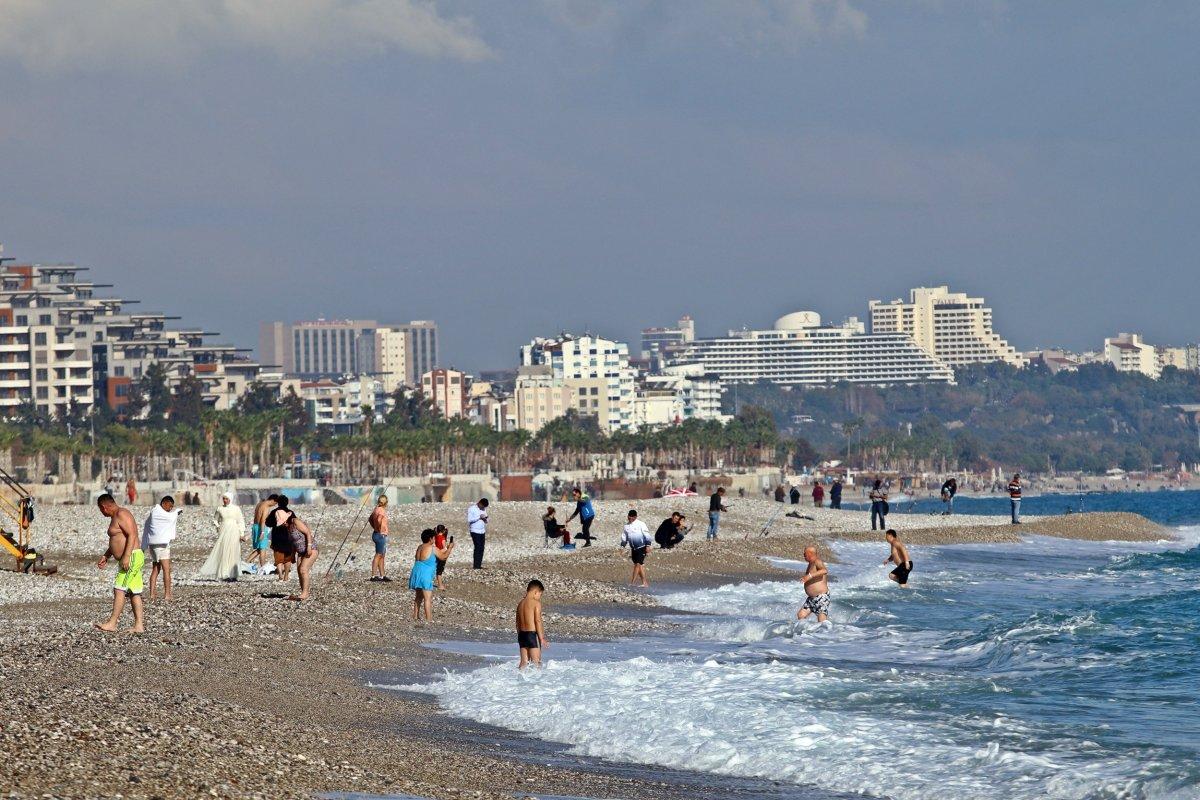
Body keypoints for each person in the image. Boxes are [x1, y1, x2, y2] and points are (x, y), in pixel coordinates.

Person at [94, 494, 145, 634]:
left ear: (104, 507)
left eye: (100, 509)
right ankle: (139, 626)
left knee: (119, 588)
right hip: (131, 556)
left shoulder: (122, 514)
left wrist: (127, 556)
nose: (101, 512)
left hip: (132, 556)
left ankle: (112, 623)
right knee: (134, 592)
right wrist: (107, 555)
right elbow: (118, 539)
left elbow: (132, 535)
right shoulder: (115, 517)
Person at [197, 492, 244, 581]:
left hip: (234, 532)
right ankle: (224, 574)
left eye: (227, 499)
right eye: (224, 499)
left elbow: (241, 521)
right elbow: (215, 520)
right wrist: (219, 527)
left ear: (230, 499)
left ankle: (233, 574)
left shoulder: (236, 509)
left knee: (233, 551)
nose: (225, 500)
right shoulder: (220, 509)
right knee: (224, 551)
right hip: (224, 531)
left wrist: (241, 534)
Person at [410, 528, 454, 621]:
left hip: (416, 572)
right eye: (434, 538)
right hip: (425, 574)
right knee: (427, 598)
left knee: (418, 596)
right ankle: (429, 619)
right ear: (430, 539)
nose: (434, 539)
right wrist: (450, 548)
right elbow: (443, 557)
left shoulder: (420, 547)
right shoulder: (432, 548)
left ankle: (415, 616)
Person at [143, 495, 181, 602]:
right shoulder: (159, 512)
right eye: (170, 506)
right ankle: (167, 594)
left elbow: (148, 526)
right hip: (162, 545)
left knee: (155, 568)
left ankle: (151, 594)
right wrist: (176, 512)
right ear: (164, 503)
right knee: (166, 569)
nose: (170, 509)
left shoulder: (153, 512)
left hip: (153, 545)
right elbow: (170, 518)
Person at [516, 579, 548, 670]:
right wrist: (541, 638)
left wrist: (520, 635)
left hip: (522, 635)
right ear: (536, 592)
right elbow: (537, 620)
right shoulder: (536, 603)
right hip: (532, 635)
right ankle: (537, 682)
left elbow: (517, 623)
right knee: (536, 662)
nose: (539, 597)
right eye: (540, 595)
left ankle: (519, 681)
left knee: (523, 663)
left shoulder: (520, 604)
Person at [795, 545, 830, 625]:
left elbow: (824, 570)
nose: (803, 556)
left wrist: (809, 576)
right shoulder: (810, 564)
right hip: (811, 598)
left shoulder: (817, 561)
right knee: (801, 615)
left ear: (810, 554)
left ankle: (825, 635)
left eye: (805, 554)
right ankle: (806, 633)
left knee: (821, 620)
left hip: (821, 596)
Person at [289, 513, 318, 601]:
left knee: (303, 570)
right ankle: (304, 592)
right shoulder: (287, 527)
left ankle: (305, 593)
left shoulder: (296, 522)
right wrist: (293, 555)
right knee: (299, 571)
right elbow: (293, 542)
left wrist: (309, 547)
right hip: (300, 552)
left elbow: (308, 533)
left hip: (311, 549)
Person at [620, 509, 652, 588]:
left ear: (636, 517)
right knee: (640, 565)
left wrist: (648, 545)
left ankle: (632, 582)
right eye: (629, 517)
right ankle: (644, 583)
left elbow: (647, 535)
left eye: (632, 517)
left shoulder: (641, 524)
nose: (630, 518)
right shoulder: (626, 526)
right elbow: (624, 537)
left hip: (642, 547)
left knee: (637, 564)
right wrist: (622, 547)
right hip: (633, 549)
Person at [267, 495, 296, 583]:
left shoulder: (274, 512)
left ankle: (280, 575)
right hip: (288, 538)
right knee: (288, 558)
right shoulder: (291, 512)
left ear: (278, 503)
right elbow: (295, 523)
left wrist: (277, 523)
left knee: (278, 558)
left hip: (277, 537)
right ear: (287, 503)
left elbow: (268, 523)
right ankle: (286, 576)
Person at [250, 494, 277, 574]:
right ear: (273, 500)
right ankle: (263, 568)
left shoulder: (260, 504)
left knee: (259, 549)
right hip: (261, 528)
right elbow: (263, 521)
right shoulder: (266, 507)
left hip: (255, 527)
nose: (274, 505)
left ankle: (246, 562)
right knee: (263, 549)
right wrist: (262, 532)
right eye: (275, 503)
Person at [369, 494, 391, 582]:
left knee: (382, 555)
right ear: (386, 503)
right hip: (380, 535)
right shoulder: (381, 510)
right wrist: (380, 529)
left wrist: (375, 527)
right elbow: (379, 520)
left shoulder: (376, 509)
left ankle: (382, 575)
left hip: (376, 534)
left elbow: (370, 519)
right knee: (378, 555)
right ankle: (373, 576)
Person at [467, 498, 489, 569]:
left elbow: (486, 520)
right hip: (475, 531)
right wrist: (479, 517)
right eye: (482, 506)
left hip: (482, 531)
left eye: (484, 507)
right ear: (480, 503)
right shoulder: (472, 509)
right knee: (477, 547)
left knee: (482, 548)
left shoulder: (484, 509)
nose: (483, 508)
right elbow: (469, 520)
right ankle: (476, 566)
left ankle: (479, 565)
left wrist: (485, 519)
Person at [433, 524, 450, 589]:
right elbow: (444, 548)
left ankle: (440, 584)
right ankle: (440, 585)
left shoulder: (436, 536)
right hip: (441, 555)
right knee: (439, 571)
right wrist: (448, 548)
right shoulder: (442, 538)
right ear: (443, 531)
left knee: (437, 569)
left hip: (437, 554)